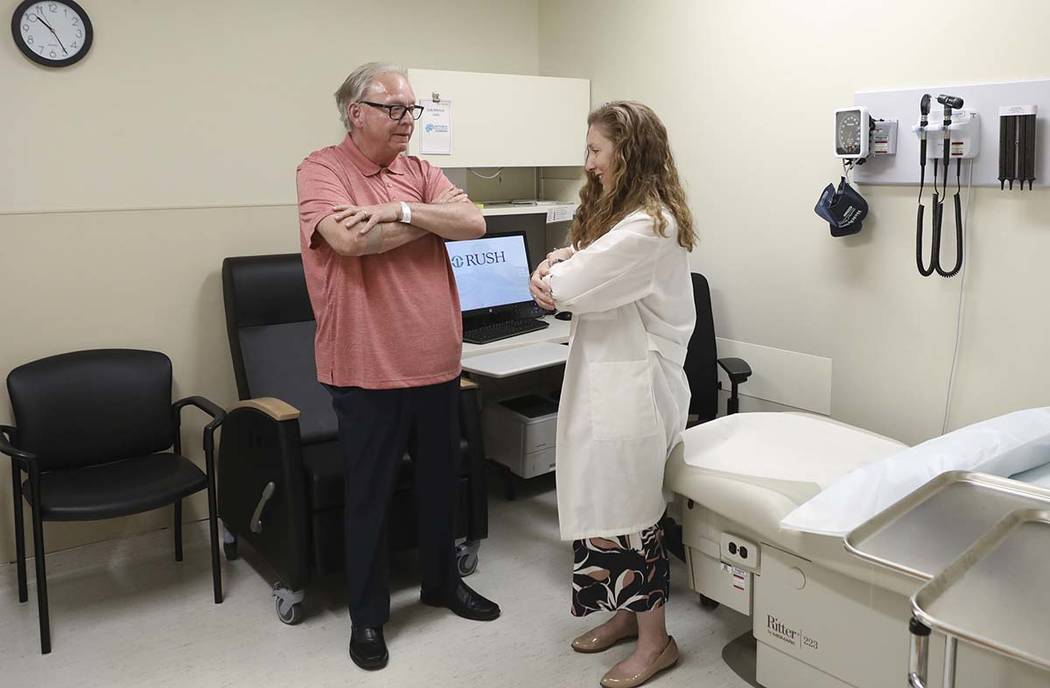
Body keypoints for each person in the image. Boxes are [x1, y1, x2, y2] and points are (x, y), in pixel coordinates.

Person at [296, 62, 500, 672]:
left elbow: (475, 222)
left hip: (436, 361)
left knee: (442, 485)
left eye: (412, 110)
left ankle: (441, 582)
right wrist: (427, 222)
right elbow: (350, 242)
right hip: (365, 368)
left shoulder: (419, 170)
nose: (408, 121)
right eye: (395, 109)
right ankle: (368, 618)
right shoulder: (321, 170)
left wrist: (399, 214)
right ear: (356, 112)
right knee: (371, 499)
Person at [530, 101, 696, 688]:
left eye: (597, 149)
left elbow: (567, 284)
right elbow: (577, 264)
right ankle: (627, 615)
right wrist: (562, 265)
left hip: (635, 390)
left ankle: (657, 642)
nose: (589, 161)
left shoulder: (649, 227)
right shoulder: (631, 221)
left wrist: (556, 272)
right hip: (610, 379)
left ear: (627, 152)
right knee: (605, 504)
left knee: (630, 514)